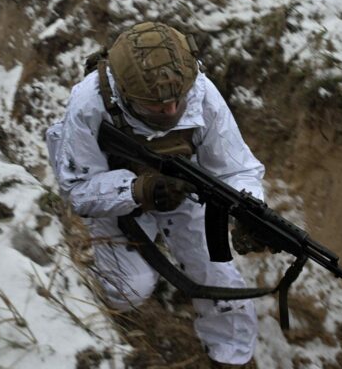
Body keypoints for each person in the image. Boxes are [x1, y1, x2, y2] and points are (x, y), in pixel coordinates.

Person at [46, 22, 266, 368]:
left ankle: (231, 357)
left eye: (177, 101)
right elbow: (77, 189)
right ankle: (106, 314)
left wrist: (251, 209)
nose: (171, 110)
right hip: (116, 199)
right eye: (156, 106)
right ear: (125, 94)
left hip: (184, 189)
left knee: (219, 277)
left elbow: (236, 168)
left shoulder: (200, 92)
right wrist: (138, 190)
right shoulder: (89, 104)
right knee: (129, 290)